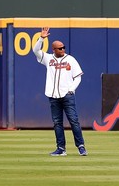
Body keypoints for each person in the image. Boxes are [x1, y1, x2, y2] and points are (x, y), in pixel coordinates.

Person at [32, 27, 87, 156]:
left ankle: (81, 146)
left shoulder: (70, 59)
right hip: (53, 96)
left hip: (67, 96)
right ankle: (61, 149)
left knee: (74, 121)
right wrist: (41, 38)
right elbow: (35, 50)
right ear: (54, 50)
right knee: (57, 123)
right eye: (60, 48)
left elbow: (78, 76)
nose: (63, 50)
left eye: (63, 47)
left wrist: (71, 89)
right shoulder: (48, 59)